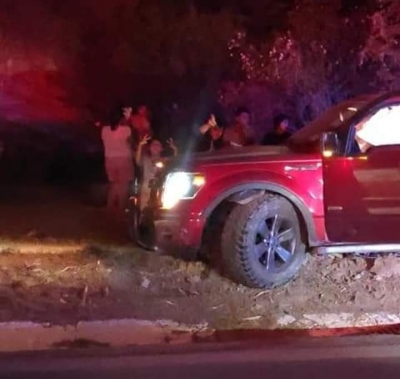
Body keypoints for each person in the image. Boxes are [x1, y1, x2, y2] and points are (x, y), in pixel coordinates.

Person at [101, 111, 134, 213]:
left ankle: (109, 207)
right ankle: (120, 209)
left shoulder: (104, 130)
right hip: (123, 158)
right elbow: (130, 142)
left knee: (114, 184)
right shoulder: (126, 129)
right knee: (123, 185)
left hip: (109, 159)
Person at [135, 135, 178, 210]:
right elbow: (137, 160)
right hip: (146, 189)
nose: (155, 146)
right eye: (153, 144)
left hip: (159, 190)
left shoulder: (164, 160)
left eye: (157, 145)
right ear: (149, 147)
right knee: (143, 210)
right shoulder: (145, 159)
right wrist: (140, 145)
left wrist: (175, 149)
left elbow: (175, 161)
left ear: (161, 148)